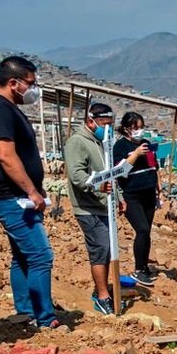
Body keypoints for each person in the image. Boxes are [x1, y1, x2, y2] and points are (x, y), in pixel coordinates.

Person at [0, 56, 59, 329]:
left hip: (18, 196)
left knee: (23, 256)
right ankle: (44, 317)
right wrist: (31, 191)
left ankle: (26, 311)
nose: (34, 89)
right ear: (13, 83)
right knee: (40, 256)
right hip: (13, 198)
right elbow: (6, 156)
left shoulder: (8, 108)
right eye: (31, 84)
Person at [63, 102, 117, 314]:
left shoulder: (102, 142)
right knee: (100, 248)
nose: (109, 129)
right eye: (105, 124)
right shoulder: (77, 142)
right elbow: (77, 176)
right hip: (88, 206)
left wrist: (118, 197)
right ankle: (102, 295)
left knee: (107, 248)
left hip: (103, 205)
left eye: (111, 125)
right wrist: (98, 186)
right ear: (90, 121)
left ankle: (103, 289)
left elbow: (110, 172)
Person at [112, 112, 158, 286]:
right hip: (132, 194)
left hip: (148, 193)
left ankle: (144, 266)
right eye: (135, 128)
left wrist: (158, 188)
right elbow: (120, 170)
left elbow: (154, 166)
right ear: (126, 129)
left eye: (141, 127)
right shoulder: (120, 146)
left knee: (147, 231)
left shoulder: (145, 144)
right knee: (142, 229)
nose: (139, 131)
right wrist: (136, 154)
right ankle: (138, 269)